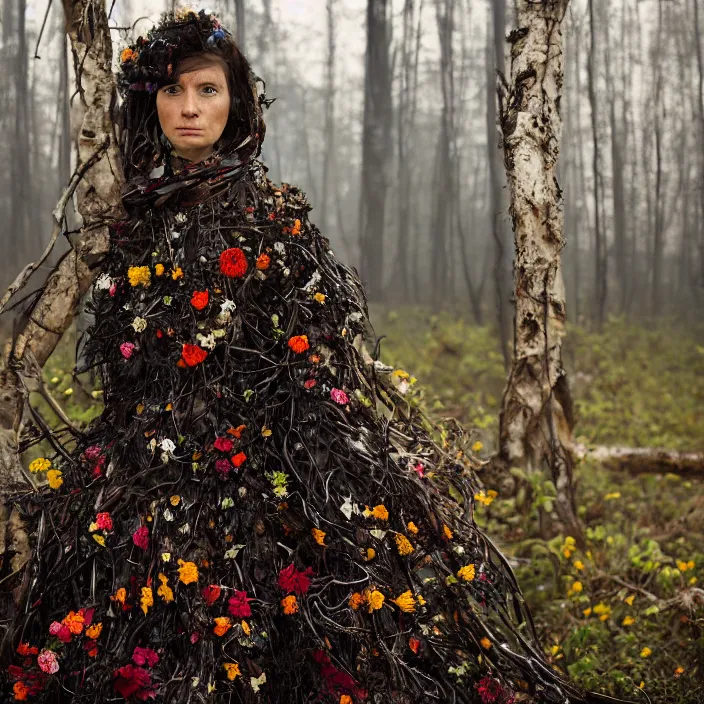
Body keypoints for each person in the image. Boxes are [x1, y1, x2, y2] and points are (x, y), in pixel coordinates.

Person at [2, 10, 633, 704]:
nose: (189, 109)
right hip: (144, 480)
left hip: (257, 477)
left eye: (207, 91)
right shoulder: (129, 220)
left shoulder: (274, 217)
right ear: (150, 100)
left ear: (235, 100)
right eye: (174, 91)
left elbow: (315, 369)